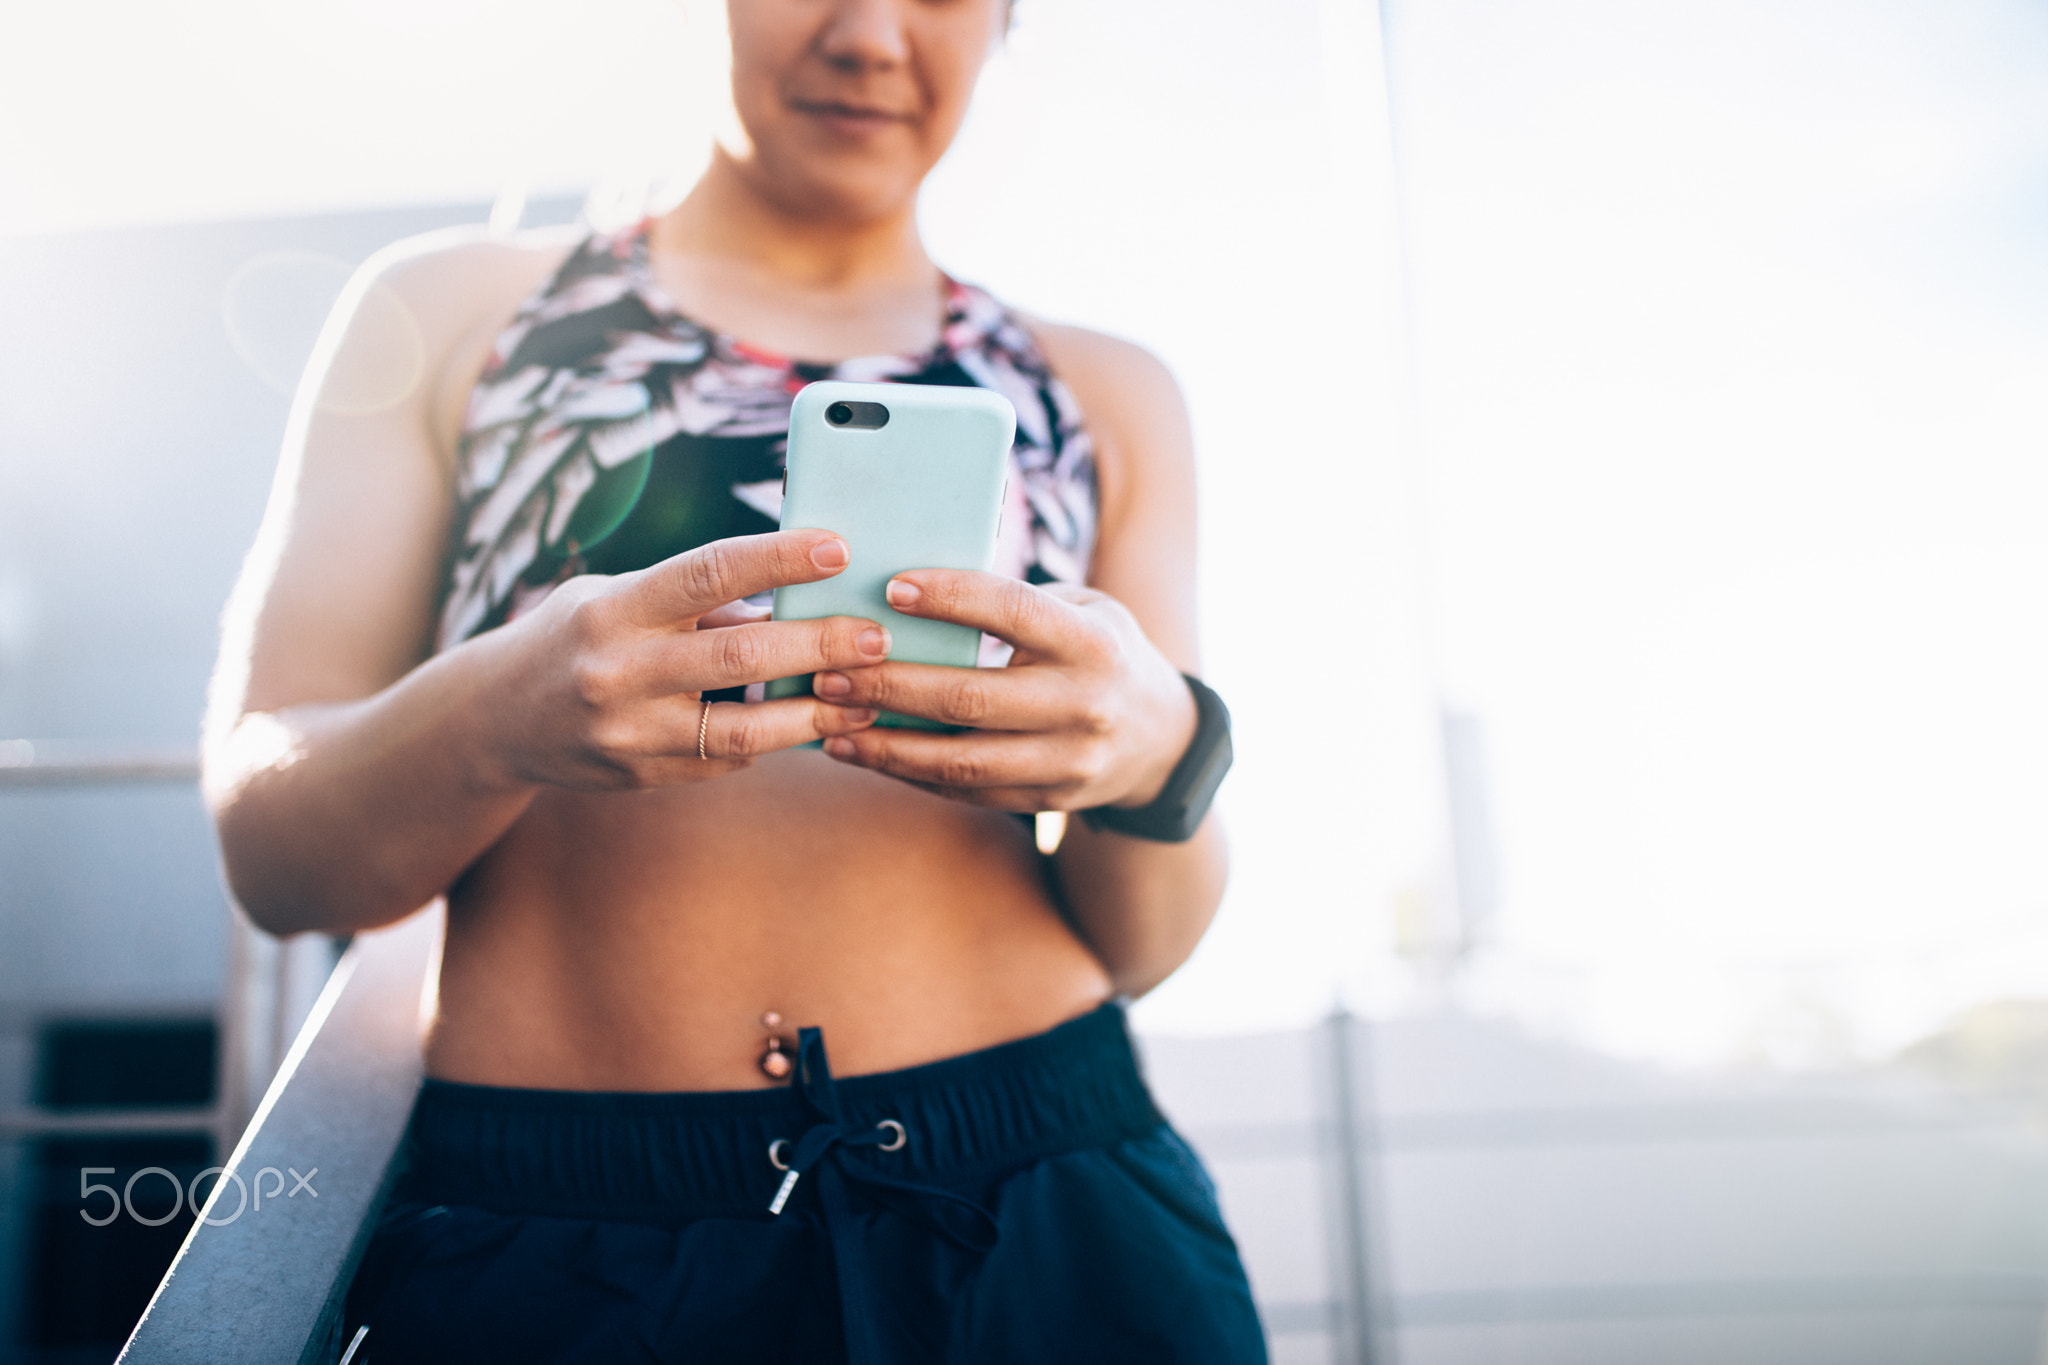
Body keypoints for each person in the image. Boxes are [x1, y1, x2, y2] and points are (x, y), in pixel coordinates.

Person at [203, 0, 1261, 1359]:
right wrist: (500, 709)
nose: (874, 35)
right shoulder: (455, 315)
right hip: (561, 1232)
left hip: (1046, 1184)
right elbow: (272, 846)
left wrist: (1163, 751)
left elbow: (1144, 943)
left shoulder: (1101, 389)